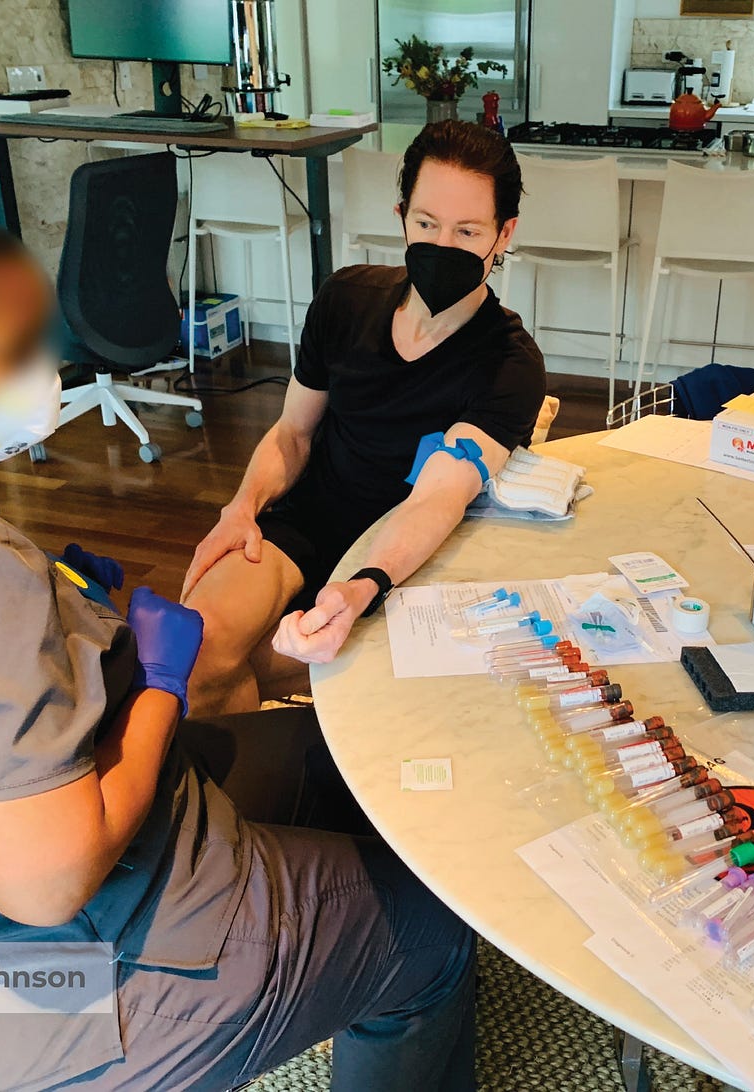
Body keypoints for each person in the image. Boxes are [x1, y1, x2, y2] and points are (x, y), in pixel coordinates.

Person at [0, 189, 476, 1091]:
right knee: (437, 929)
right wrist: (165, 683)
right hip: (23, 1003)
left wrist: (59, 614)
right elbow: (45, 883)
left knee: (324, 759)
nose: (44, 371)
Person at [182, 120, 547, 714]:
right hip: (306, 525)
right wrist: (241, 507)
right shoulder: (345, 299)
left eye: (468, 230)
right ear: (402, 214)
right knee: (194, 653)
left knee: (250, 664)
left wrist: (364, 586)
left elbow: (435, 500)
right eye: (427, 224)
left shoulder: (508, 366)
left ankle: (289, 781)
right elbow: (293, 434)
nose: (443, 245)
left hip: (405, 559)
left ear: (503, 234)